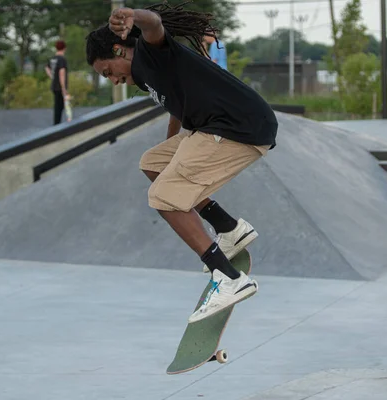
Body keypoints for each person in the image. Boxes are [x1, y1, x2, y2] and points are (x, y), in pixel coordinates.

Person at [85, 3, 278, 323]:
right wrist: (171, 146)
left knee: (163, 196)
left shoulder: (150, 53)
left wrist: (135, 15)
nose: (113, 80)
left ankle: (229, 279)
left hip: (239, 128)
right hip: (219, 126)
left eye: (108, 71)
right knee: (153, 163)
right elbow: (178, 107)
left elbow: (155, 25)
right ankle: (230, 229)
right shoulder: (148, 77)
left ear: (120, 49)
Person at [45, 40, 70, 125]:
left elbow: (47, 68)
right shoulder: (62, 59)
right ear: (64, 48)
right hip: (60, 87)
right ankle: (57, 126)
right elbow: (62, 73)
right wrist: (63, 88)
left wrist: (52, 76)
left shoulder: (53, 58)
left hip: (54, 86)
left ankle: (57, 124)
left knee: (58, 106)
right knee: (59, 107)